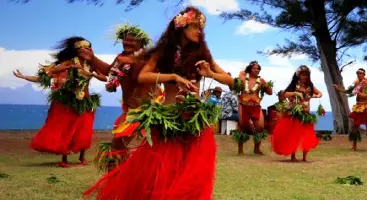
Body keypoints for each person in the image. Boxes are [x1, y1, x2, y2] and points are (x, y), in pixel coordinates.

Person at [84, 7, 233, 200]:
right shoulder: (164, 52)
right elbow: (144, 76)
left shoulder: (202, 53)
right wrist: (173, 76)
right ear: (181, 27)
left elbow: (229, 81)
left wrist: (210, 74)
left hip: (193, 118)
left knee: (191, 167)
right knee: (161, 166)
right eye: (195, 26)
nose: (199, 31)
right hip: (168, 116)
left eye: (201, 28)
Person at [16, 37, 106, 168]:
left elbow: (104, 77)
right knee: (67, 129)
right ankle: (64, 158)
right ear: (76, 50)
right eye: (80, 48)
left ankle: (82, 157)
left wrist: (92, 74)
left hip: (86, 101)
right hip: (69, 101)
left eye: (86, 48)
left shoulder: (91, 64)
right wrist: (24, 77)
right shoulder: (70, 62)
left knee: (84, 129)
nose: (83, 51)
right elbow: (52, 71)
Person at [85, 23, 160, 172]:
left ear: (141, 43)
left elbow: (142, 75)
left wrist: (134, 61)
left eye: (132, 40)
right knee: (117, 149)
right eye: (125, 39)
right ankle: (117, 182)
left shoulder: (147, 58)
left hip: (150, 110)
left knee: (150, 149)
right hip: (131, 111)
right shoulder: (121, 58)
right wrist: (92, 58)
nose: (127, 42)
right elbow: (109, 71)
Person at [271, 65, 323, 162]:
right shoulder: (294, 85)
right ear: (298, 75)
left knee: (307, 136)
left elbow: (320, 93)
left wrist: (316, 96)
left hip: (306, 115)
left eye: (307, 75)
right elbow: (284, 94)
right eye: (303, 75)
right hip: (295, 115)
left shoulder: (310, 86)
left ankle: (304, 157)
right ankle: (293, 156)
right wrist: (295, 93)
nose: (305, 77)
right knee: (294, 136)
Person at [231, 61, 273, 155]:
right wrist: (244, 72)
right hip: (243, 105)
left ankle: (256, 149)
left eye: (258, 68)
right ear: (250, 68)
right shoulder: (242, 78)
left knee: (260, 127)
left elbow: (270, 93)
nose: (256, 70)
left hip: (256, 106)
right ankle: (240, 150)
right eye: (254, 68)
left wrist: (266, 85)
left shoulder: (261, 81)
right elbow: (233, 86)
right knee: (242, 127)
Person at [333, 68, 367, 151]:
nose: (359, 75)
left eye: (360, 73)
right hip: (359, 107)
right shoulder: (356, 83)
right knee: (355, 127)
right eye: (358, 73)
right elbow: (348, 91)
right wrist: (338, 89)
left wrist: (365, 95)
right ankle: (354, 146)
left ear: (364, 75)